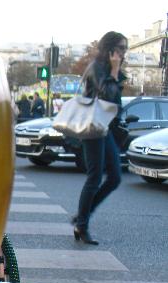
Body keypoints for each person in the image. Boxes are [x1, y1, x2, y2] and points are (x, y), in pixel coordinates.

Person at [73, 31, 128, 245]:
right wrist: (114, 70)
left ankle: (81, 217)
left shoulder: (109, 69)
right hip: (93, 128)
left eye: (125, 49)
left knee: (115, 177)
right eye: (121, 48)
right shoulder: (97, 68)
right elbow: (107, 95)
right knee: (95, 177)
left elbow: (116, 103)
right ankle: (82, 225)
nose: (124, 53)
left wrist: (116, 71)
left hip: (104, 129)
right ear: (110, 49)